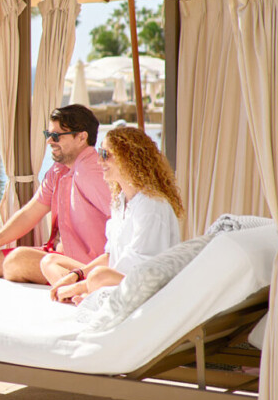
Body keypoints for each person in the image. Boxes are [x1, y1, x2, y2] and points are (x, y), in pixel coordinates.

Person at [0, 104, 110, 283]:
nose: (49, 141)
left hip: (88, 265)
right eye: (48, 134)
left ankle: (75, 284)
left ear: (81, 137)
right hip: (58, 256)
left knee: (16, 261)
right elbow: (28, 215)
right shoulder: (59, 171)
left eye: (56, 136)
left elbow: (122, 221)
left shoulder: (92, 171)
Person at [51, 126, 184, 303]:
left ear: (128, 158)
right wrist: (77, 275)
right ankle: (89, 294)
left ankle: (90, 294)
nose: (100, 161)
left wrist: (81, 285)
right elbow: (110, 255)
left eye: (106, 154)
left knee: (99, 276)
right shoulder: (120, 201)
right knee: (51, 262)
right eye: (100, 153)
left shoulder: (152, 205)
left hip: (150, 286)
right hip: (120, 279)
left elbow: (141, 266)